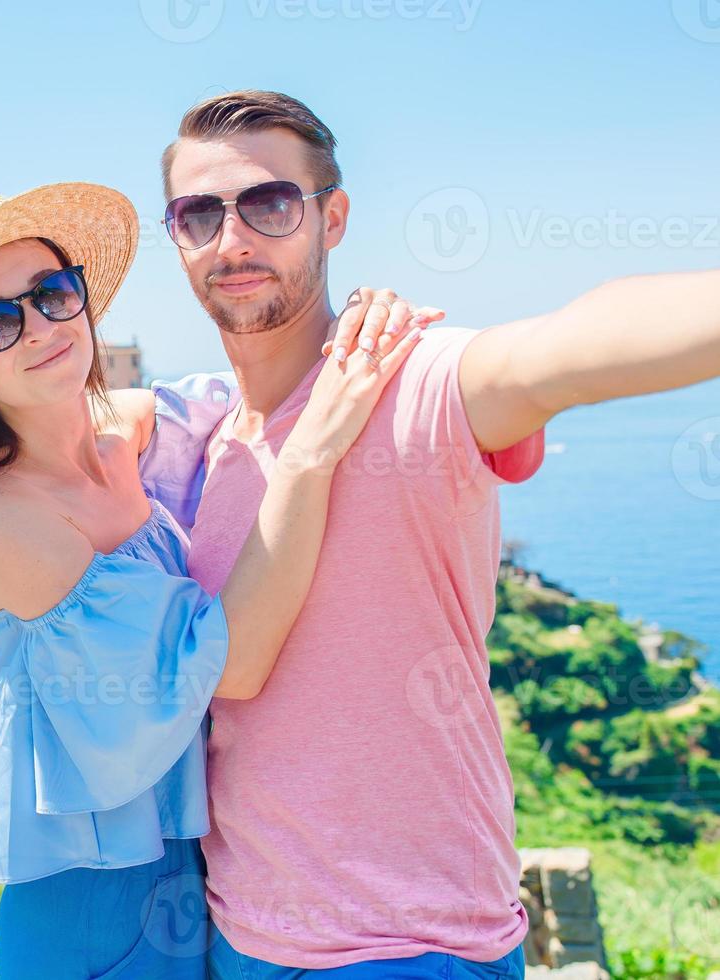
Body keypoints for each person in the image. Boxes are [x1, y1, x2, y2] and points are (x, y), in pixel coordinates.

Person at [148, 89, 720, 978]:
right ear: (176, 237)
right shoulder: (203, 442)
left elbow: (575, 342)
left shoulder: (411, 378)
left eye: (269, 203)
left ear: (331, 218)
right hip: (239, 938)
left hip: (414, 947)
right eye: (199, 213)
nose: (234, 239)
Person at [0, 182, 435, 979]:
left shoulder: (126, 434)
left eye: (51, 294)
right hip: (89, 917)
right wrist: (315, 453)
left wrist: (355, 326)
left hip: (212, 881)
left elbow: (246, 394)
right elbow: (227, 660)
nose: (36, 327)